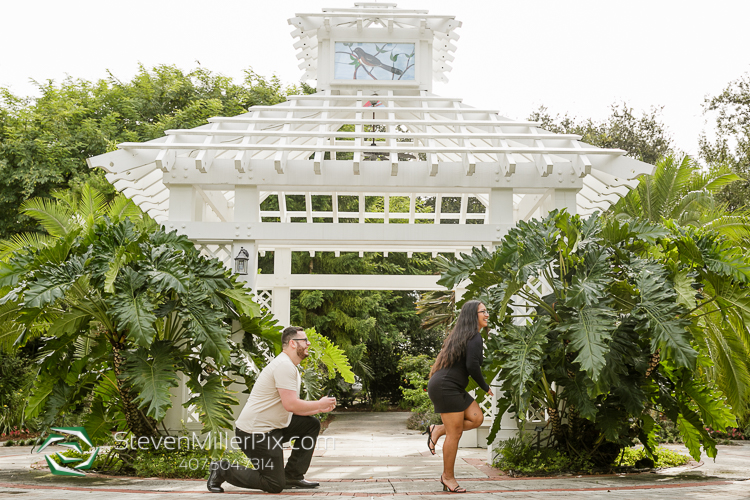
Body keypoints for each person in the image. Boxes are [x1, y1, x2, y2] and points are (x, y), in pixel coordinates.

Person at [207, 326, 337, 494]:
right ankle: (222, 469)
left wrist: (320, 406)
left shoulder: (288, 365)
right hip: (255, 434)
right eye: (304, 340)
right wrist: (319, 405)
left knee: (310, 424)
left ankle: (293, 476)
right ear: (292, 343)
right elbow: (291, 405)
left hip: (272, 428)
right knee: (274, 484)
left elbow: (291, 408)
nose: (308, 343)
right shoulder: (284, 366)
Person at [424, 300, 493, 493]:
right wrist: (485, 386)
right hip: (446, 387)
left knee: (477, 418)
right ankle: (448, 477)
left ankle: (437, 430)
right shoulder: (474, 337)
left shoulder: (466, 336)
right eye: (483, 312)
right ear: (473, 315)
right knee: (455, 434)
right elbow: (472, 367)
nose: (487, 314)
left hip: (451, 386)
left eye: (487, 311)